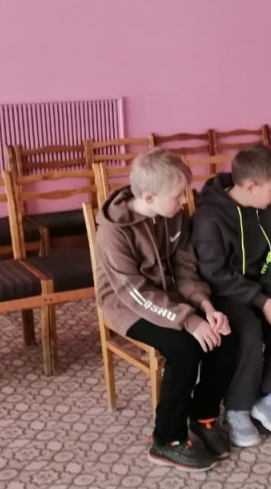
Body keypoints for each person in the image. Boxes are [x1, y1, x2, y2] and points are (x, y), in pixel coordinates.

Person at [94, 149, 237, 472]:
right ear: (149, 197)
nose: (184, 201)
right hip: (126, 305)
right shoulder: (113, 232)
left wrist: (205, 306)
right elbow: (135, 293)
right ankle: (167, 439)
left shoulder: (173, 214)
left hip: (167, 296)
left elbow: (185, 268)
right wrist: (189, 321)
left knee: (224, 333)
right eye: (178, 196)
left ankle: (203, 415)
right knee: (184, 348)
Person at [191, 144, 271, 447]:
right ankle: (238, 408)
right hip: (223, 292)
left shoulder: (266, 208)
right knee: (247, 327)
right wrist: (262, 301)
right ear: (251, 187)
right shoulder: (209, 218)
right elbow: (215, 274)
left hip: (261, 288)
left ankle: (269, 397)